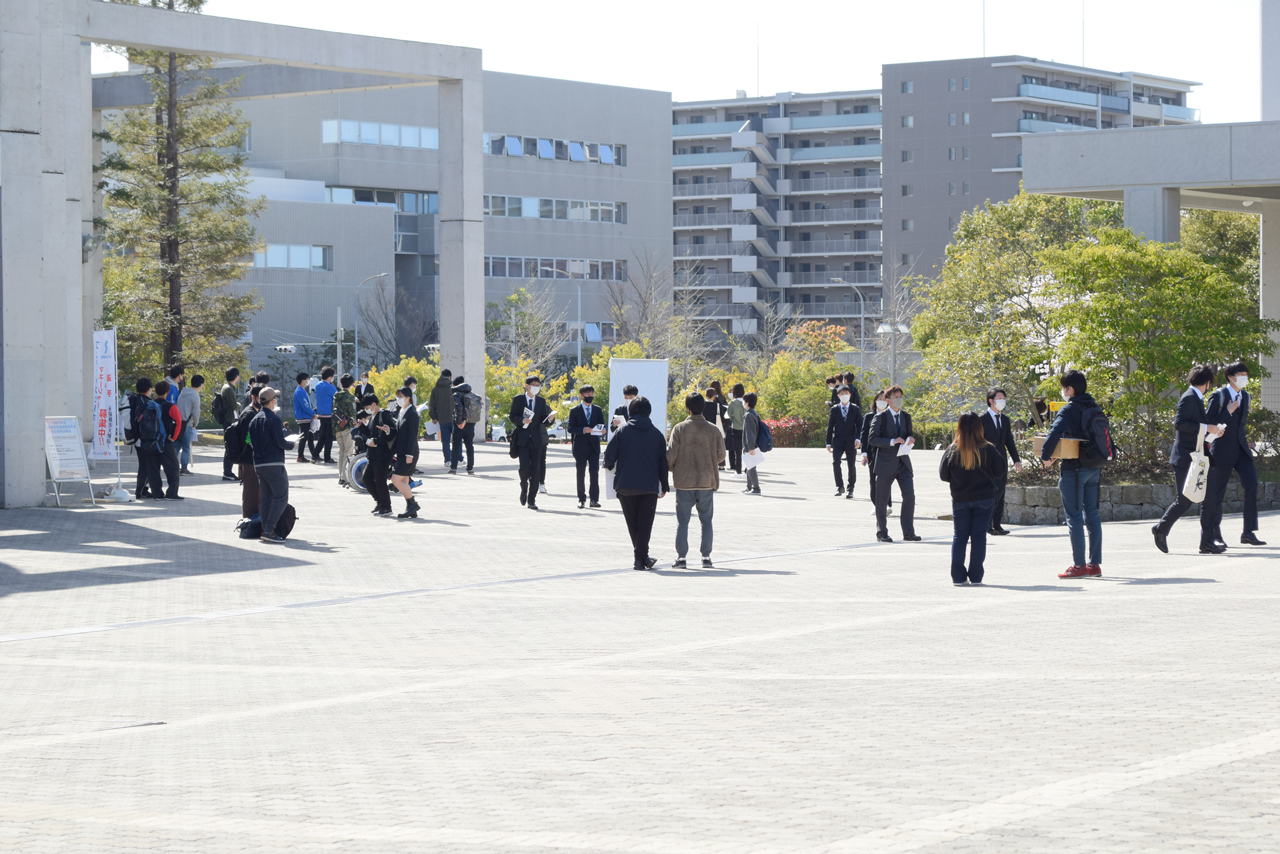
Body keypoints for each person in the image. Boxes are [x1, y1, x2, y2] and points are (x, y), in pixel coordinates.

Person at [1152, 366, 1223, 553]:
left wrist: (1212, 431)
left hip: (1197, 457)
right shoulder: (1190, 397)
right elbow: (1180, 424)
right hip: (1186, 458)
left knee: (1209, 499)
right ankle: (1161, 529)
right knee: (1184, 500)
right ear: (1207, 383)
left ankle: (1206, 542)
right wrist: (1206, 427)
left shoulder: (1195, 398)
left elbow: (1197, 428)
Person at [1040, 370, 1103, 578]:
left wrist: (1045, 456)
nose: (1063, 392)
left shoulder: (1069, 410)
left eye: (1064, 388)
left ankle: (1078, 566)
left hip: (1074, 469)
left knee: (1074, 516)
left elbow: (1054, 433)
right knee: (1092, 515)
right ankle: (1094, 564)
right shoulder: (1094, 407)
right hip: (1094, 466)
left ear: (1070, 389)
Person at [1201, 361, 1267, 552]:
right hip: (1220, 451)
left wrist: (1245, 442)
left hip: (1241, 450)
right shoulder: (1218, 396)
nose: (1244, 377)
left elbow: (1240, 426)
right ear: (1230, 377)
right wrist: (1227, 412)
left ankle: (1248, 532)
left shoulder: (1246, 396)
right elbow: (1209, 423)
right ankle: (1215, 535)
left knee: (1252, 484)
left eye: (1246, 374)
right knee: (1216, 494)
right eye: (1241, 374)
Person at [940, 413, 1007, 586]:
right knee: (979, 538)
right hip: (984, 498)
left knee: (960, 537)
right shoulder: (989, 448)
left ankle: (958, 577)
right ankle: (976, 576)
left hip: (960, 498)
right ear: (979, 427)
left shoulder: (952, 449)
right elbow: (1000, 471)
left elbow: (943, 475)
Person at [604, 396, 670, 570]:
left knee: (633, 523)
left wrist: (609, 466)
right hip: (649, 486)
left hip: (625, 485)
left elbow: (609, 456)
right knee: (645, 525)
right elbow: (663, 461)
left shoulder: (622, 431)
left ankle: (641, 559)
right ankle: (641, 558)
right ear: (649, 413)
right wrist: (664, 484)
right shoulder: (657, 434)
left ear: (630, 412)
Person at [667, 392, 725, 568]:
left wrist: (673, 468)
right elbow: (721, 455)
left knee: (682, 521)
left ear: (688, 408)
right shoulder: (713, 430)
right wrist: (709, 461)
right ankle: (706, 557)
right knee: (706, 521)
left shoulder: (679, 429)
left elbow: (671, 455)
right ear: (703, 408)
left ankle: (681, 558)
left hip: (684, 481)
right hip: (706, 481)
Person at [869, 385, 920, 543]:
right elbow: (872, 439)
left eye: (901, 396)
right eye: (896, 397)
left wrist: (910, 439)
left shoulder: (906, 416)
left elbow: (909, 433)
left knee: (909, 495)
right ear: (888, 400)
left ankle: (908, 532)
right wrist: (892, 441)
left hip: (903, 462)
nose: (899, 399)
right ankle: (882, 532)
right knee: (882, 500)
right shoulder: (880, 417)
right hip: (885, 463)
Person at [249, 387, 295, 543]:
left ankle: (265, 530)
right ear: (272, 401)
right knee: (281, 496)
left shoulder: (254, 420)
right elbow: (280, 442)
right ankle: (269, 530)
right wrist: (291, 445)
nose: (276, 401)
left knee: (267, 498)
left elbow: (249, 442)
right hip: (274, 463)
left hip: (259, 464)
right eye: (275, 398)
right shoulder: (274, 419)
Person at [982, 388, 1022, 535]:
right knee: (992, 493)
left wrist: (1016, 460)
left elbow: (1009, 442)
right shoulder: (982, 419)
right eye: (999, 398)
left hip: (1002, 463)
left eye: (1004, 398)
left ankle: (997, 525)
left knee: (1001, 493)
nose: (1002, 401)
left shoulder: (1004, 420)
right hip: (987, 464)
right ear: (991, 400)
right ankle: (987, 524)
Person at [509, 376, 553, 510]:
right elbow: (512, 416)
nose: (536, 387)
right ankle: (523, 488)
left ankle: (531, 499)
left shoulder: (541, 401)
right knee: (524, 469)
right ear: (527, 385)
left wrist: (550, 419)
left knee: (536, 470)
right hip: (522, 439)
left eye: (538, 385)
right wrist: (522, 420)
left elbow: (543, 420)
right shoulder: (518, 399)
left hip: (536, 440)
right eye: (534, 384)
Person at [568, 384, 605, 508]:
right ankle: (581, 499)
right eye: (588, 394)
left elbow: (601, 425)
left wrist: (603, 430)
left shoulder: (598, 409)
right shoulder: (575, 410)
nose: (590, 396)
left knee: (594, 473)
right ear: (581, 395)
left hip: (594, 446)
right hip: (580, 446)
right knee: (581, 473)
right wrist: (584, 429)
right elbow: (570, 428)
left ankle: (594, 499)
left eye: (592, 394)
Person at [128, 377, 164, 500]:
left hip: (135, 437)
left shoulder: (132, 400)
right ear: (149, 389)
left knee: (144, 464)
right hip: (145, 439)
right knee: (145, 465)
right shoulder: (146, 403)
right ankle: (140, 491)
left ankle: (143, 490)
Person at [361, 394, 396, 516]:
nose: (366, 409)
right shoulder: (372, 416)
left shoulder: (383, 415)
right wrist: (360, 426)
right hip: (373, 454)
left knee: (380, 480)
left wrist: (376, 441)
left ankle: (386, 506)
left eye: (367, 406)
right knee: (367, 478)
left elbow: (391, 432)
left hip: (382, 454)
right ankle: (380, 502)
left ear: (374, 404)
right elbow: (370, 432)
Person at [825, 384, 861, 499]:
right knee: (836, 462)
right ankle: (840, 486)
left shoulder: (855, 408)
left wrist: (858, 439)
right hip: (838, 441)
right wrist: (828, 442)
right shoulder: (834, 409)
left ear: (850, 395)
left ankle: (850, 489)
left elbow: (860, 425)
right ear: (838, 396)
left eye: (846, 393)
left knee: (851, 465)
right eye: (842, 394)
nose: (844, 395)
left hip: (851, 441)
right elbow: (830, 426)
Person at [391, 386, 421, 518]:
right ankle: (411, 508)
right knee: (404, 480)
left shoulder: (412, 413)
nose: (399, 399)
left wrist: (409, 454)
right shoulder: (402, 411)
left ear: (408, 398)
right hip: (401, 452)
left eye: (401, 396)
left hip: (409, 453)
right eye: (398, 396)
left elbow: (412, 436)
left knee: (396, 479)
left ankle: (413, 504)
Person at [232, 385, 263, 517]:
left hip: (253, 460)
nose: (263, 401)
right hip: (249, 461)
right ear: (253, 398)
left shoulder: (254, 413)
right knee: (251, 495)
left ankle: (255, 522)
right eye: (261, 398)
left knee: (256, 494)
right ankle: (249, 523)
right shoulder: (249, 414)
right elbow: (248, 439)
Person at [152, 380, 184, 500]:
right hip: (165, 441)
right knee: (173, 468)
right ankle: (171, 493)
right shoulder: (171, 406)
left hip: (151, 441)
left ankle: (157, 493)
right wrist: (173, 437)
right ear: (168, 391)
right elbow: (178, 422)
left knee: (153, 469)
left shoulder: (150, 405)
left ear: (155, 391)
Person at [860, 391, 891, 513]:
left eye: (884, 399)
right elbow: (864, 436)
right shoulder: (868, 417)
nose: (881, 401)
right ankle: (876, 504)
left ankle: (888, 504)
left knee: (887, 479)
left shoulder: (891, 415)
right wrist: (864, 454)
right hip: (872, 452)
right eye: (879, 399)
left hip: (888, 452)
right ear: (875, 401)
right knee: (873, 479)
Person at [450, 375, 478, 475]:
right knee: (469, 446)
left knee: (456, 446)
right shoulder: (472, 394)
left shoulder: (456, 394)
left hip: (460, 424)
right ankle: (470, 468)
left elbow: (459, 408)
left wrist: (459, 422)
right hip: (470, 424)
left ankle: (453, 468)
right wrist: (466, 421)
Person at [333, 373, 358, 487]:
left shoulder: (336, 395)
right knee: (348, 452)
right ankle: (345, 477)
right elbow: (353, 414)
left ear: (341, 383)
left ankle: (340, 476)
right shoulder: (350, 397)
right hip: (347, 427)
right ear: (352, 384)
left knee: (341, 452)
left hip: (337, 426)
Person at [217, 367, 241, 482]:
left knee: (230, 447)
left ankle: (228, 472)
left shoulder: (227, 387)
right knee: (230, 447)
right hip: (229, 421)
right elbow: (235, 406)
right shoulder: (229, 389)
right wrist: (239, 404)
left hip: (228, 420)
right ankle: (227, 472)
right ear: (236, 376)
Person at [176, 374, 203, 475]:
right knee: (186, 447)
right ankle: (184, 468)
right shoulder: (195, 396)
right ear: (200, 385)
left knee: (177, 446)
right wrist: (195, 423)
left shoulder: (182, 392)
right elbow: (196, 413)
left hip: (178, 423)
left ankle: (172, 466)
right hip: (187, 424)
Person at [429, 369, 455, 468]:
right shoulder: (453, 388)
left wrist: (434, 417)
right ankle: (459, 458)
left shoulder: (435, 389)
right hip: (453, 418)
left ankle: (447, 460)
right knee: (456, 440)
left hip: (442, 419)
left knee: (445, 441)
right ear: (450, 377)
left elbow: (432, 405)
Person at [293, 372, 318, 463]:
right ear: (303, 381)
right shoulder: (300, 391)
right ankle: (301, 456)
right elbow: (305, 406)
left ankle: (314, 455)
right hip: (304, 418)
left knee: (309, 437)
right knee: (305, 438)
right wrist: (313, 413)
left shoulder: (301, 390)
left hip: (304, 417)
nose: (308, 381)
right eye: (307, 379)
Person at [314, 366, 337, 464]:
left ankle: (315, 454)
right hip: (329, 415)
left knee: (322, 436)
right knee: (329, 437)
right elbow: (336, 398)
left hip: (320, 414)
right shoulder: (331, 387)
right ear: (330, 376)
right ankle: (327, 457)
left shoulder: (318, 385)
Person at [741, 392, 763, 495]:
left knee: (751, 467)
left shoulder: (749, 415)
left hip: (750, 446)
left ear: (747, 402)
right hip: (752, 445)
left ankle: (756, 488)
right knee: (749, 466)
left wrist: (750, 447)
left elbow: (750, 433)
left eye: (744, 401)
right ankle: (749, 487)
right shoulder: (754, 413)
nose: (743, 403)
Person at [726, 383, 746, 475]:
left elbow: (729, 414)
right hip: (746, 428)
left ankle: (738, 470)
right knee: (747, 449)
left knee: (738, 451)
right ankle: (748, 469)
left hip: (736, 428)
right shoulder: (746, 401)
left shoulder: (733, 403)